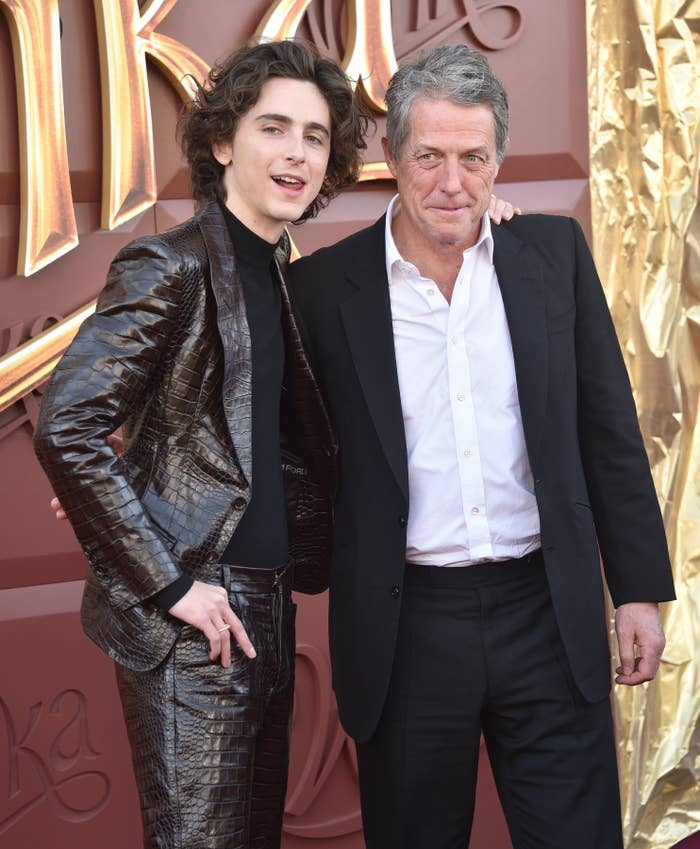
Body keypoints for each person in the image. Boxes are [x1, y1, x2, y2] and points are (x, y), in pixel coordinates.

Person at [289, 45, 675, 849]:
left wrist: (638, 588)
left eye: (473, 158)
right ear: (391, 157)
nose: (452, 183)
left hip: (546, 609)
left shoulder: (552, 258)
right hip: (406, 625)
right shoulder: (324, 290)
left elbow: (608, 430)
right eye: (428, 157)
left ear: (498, 159)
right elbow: (270, 432)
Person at [33, 39, 368, 849]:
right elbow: (67, 424)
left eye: (315, 136)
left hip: (269, 606)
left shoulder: (289, 272)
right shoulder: (168, 263)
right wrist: (172, 585)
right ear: (222, 143)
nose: (296, 152)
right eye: (273, 128)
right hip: (196, 620)